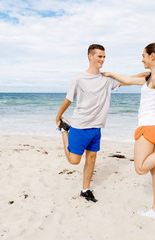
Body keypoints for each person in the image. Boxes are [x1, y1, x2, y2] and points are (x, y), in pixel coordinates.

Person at [102, 42, 155, 219]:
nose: (141, 59)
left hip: (149, 127)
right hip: (154, 125)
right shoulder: (152, 76)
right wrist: (109, 74)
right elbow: (127, 80)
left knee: (140, 168)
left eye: (143, 55)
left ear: (152, 56)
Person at [56, 44, 120, 203]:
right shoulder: (78, 78)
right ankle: (64, 131)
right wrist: (58, 116)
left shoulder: (106, 79)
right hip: (80, 126)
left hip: (96, 127)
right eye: (100, 56)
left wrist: (149, 74)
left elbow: (128, 81)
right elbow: (69, 99)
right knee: (74, 161)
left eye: (104, 57)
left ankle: (85, 189)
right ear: (90, 56)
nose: (103, 60)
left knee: (91, 159)